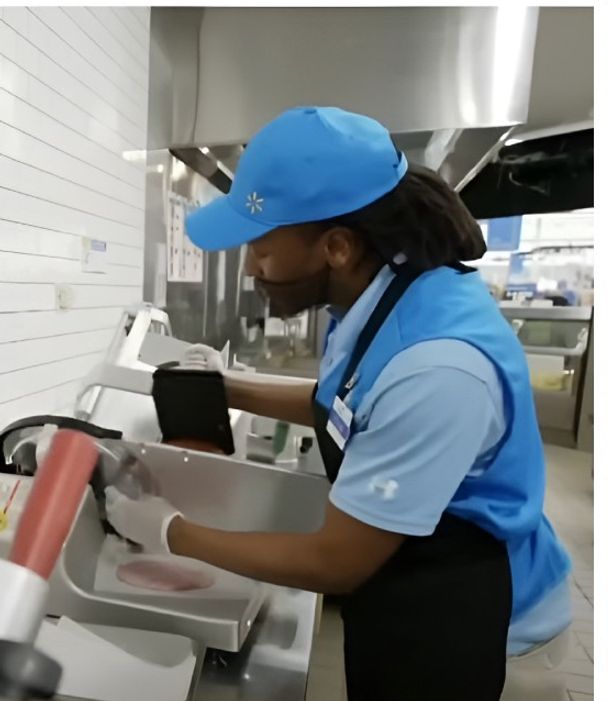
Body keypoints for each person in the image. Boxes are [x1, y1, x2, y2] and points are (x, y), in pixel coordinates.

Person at [103, 106, 572, 700]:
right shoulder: (391, 297)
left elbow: (335, 562)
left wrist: (167, 530)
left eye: (263, 249)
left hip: (483, 627)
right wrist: (227, 387)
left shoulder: (438, 368)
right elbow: (349, 408)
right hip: (410, 588)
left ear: (338, 247)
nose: (251, 268)